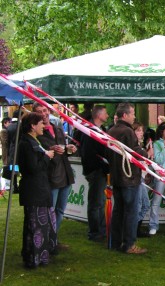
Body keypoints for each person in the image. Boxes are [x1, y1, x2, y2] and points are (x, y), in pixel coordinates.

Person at [107, 103, 150, 254]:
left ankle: (115, 242)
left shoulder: (111, 130)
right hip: (129, 178)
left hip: (117, 177)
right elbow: (136, 152)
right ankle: (130, 244)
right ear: (125, 115)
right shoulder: (127, 131)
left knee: (118, 210)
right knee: (131, 211)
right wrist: (146, 153)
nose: (134, 117)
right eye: (132, 114)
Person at [33, 102, 77, 249]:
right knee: (49, 211)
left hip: (65, 174)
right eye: (39, 112)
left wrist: (69, 148)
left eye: (45, 110)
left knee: (60, 210)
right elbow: (47, 150)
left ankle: (53, 240)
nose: (44, 114)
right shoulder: (37, 133)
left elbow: (62, 149)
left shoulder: (57, 127)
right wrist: (60, 149)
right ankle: (47, 242)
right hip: (51, 176)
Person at [17, 112, 57, 268]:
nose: (44, 126)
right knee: (36, 227)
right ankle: (34, 257)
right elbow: (33, 167)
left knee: (41, 225)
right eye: (41, 123)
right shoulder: (26, 144)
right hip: (34, 191)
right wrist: (47, 156)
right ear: (33, 126)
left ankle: (40, 256)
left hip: (40, 189)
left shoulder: (34, 141)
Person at [79, 104, 109, 241]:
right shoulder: (89, 131)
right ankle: (94, 232)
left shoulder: (101, 129)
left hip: (100, 171)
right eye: (105, 113)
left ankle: (101, 230)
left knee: (101, 202)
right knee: (95, 202)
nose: (107, 115)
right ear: (98, 115)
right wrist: (102, 166)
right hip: (95, 171)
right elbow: (88, 154)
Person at [132, 122, 152, 237]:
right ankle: (132, 230)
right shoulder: (133, 146)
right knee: (139, 205)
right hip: (136, 179)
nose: (141, 133)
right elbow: (137, 161)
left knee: (145, 204)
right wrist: (148, 154)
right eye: (138, 130)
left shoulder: (139, 145)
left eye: (142, 130)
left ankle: (135, 230)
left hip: (142, 178)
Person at [1, 117, 11, 190]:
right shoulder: (3, 131)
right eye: (9, 122)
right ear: (5, 123)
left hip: (8, 152)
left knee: (10, 167)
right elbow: (5, 142)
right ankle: (7, 184)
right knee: (6, 167)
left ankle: (9, 183)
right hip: (6, 152)